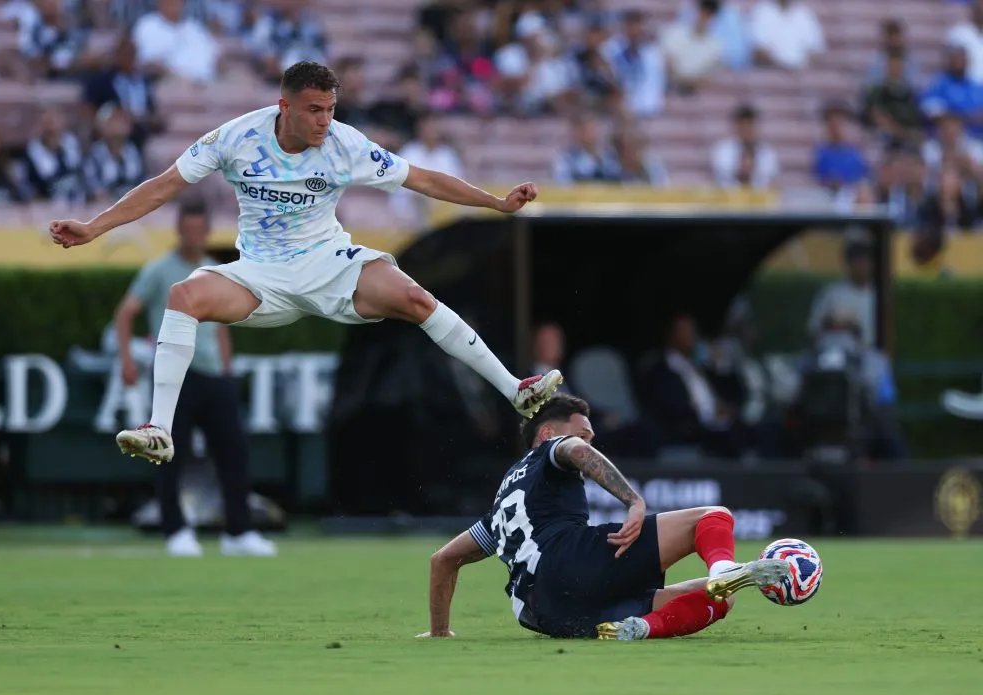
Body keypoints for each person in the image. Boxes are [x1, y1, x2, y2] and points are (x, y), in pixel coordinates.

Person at [50, 60, 563, 464]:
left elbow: (424, 179)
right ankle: (158, 429)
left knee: (414, 296)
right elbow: (164, 185)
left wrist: (496, 203)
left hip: (329, 261)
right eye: (315, 110)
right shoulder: (236, 138)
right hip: (261, 273)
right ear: (285, 106)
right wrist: (95, 227)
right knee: (183, 295)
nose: (325, 121)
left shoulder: (345, 144)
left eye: (330, 109)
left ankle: (514, 389)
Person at [418, 395, 788, 641]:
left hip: (547, 615)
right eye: (584, 433)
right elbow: (574, 449)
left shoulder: (503, 502)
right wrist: (633, 499)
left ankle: (644, 626)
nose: (589, 443)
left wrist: (440, 632)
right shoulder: (550, 449)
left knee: (718, 598)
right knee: (713, 515)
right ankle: (724, 568)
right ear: (547, 432)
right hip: (569, 561)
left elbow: (443, 559)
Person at [114, 200, 276, 557]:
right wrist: (126, 360)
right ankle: (175, 530)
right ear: (179, 230)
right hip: (179, 377)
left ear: (205, 231)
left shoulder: (215, 270)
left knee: (234, 453)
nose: (193, 234)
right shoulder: (159, 270)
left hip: (216, 376)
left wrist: (227, 367)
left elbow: (221, 325)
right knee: (170, 453)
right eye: (187, 227)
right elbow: (125, 315)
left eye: (199, 228)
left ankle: (239, 531)